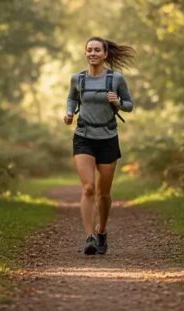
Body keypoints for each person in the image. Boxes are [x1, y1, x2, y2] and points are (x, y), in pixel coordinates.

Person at [63, 37, 135, 255]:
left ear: (105, 54)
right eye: (89, 50)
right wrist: (68, 114)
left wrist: (118, 103)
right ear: (85, 53)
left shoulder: (116, 79)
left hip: (108, 137)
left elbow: (130, 106)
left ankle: (101, 231)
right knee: (88, 188)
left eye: (97, 50)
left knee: (104, 193)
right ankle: (89, 238)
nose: (92, 53)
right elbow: (72, 100)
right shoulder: (78, 79)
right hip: (84, 136)